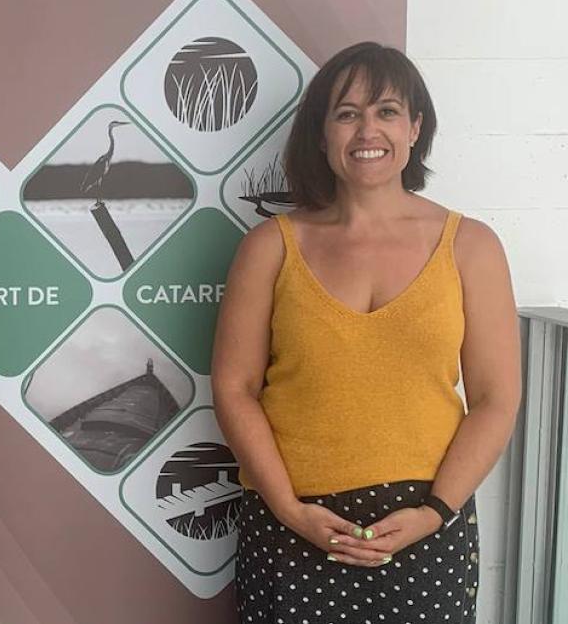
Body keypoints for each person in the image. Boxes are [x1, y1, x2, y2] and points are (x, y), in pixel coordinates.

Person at [212, 42, 521, 623]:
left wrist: (434, 511)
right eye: (346, 113)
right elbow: (234, 387)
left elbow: (495, 400)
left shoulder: (471, 246)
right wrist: (288, 508)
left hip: (425, 526)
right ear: (322, 133)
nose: (366, 130)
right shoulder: (269, 247)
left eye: (386, 111)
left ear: (415, 127)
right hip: (290, 528)